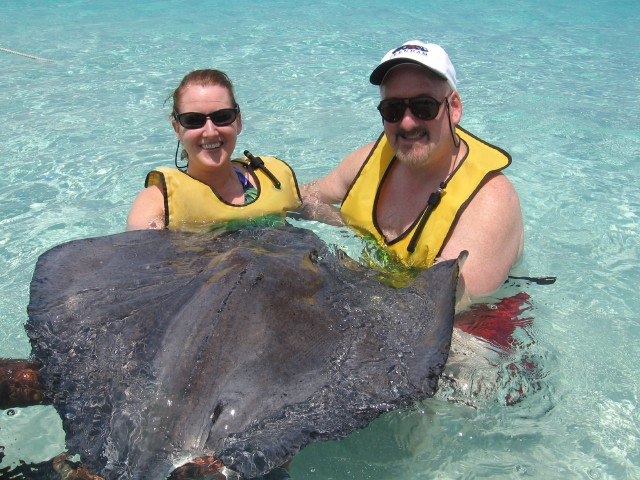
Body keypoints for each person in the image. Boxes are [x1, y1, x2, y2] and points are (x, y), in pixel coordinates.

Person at [301, 40, 524, 300]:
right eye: (393, 109)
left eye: (423, 107)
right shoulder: (371, 159)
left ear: (454, 107)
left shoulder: (489, 201)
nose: (407, 122)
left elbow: (438, 309)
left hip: (473, 326)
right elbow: (305, 198)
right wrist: (247, 189)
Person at [128, 69, 302, 231]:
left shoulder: (271, 180)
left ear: (238, 121)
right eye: (193, 120)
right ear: (177, 129)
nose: (210, 132)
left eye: (222, 117)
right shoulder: (158, 204)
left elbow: (311, 199)